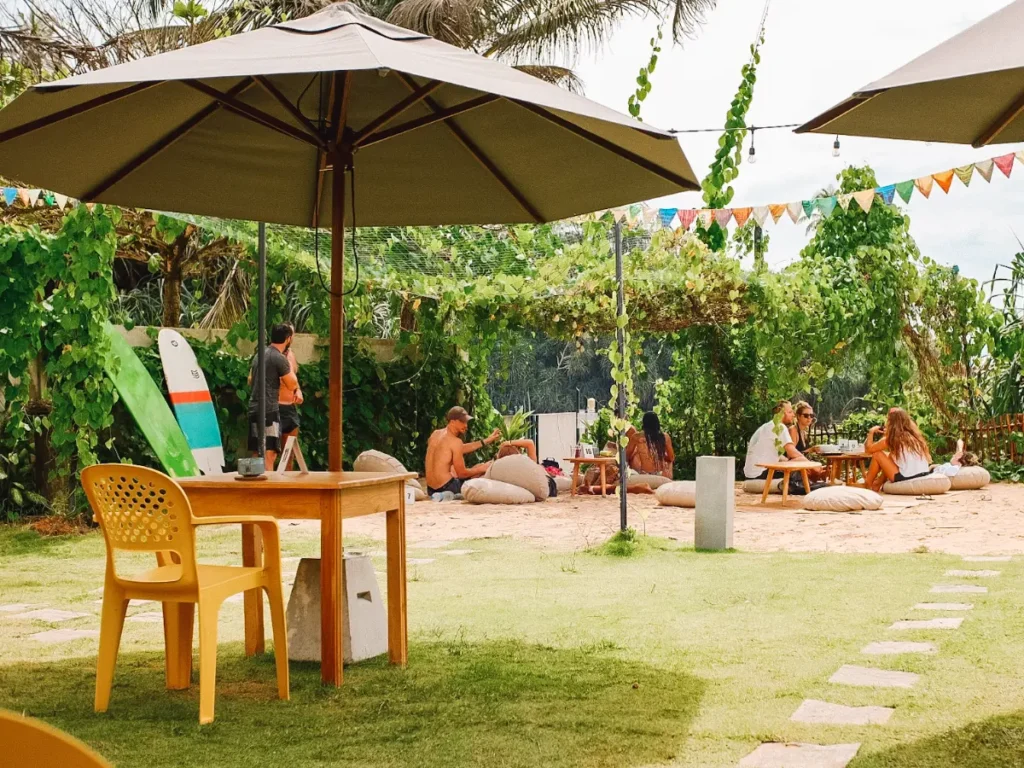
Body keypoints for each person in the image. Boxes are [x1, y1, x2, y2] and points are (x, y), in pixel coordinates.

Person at [248, 323, 299, 471]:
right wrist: (296, 388)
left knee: (257, 451)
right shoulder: (279, 357)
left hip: (254, 408)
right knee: (269, 453)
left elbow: (250, 379)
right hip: (269, 410)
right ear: (288, 339)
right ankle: (267, 489)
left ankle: (254, 488)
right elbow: (292, 383)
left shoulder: (260, 354)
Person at [424, 406, 501, 499]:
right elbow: (462, 473)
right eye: (462, 422)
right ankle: (451, 495)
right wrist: (482, 469)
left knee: (472, 468)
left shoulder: (435, 434)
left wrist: (486, 440)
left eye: (466, 422)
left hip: (431, 489)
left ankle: (442, 496)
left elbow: (456, 449)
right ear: (452, 421)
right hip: (447, 487)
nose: (466, 425)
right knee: (479, 472)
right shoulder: (455, 442)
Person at [864, 407, 932, 491]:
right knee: (891, 456)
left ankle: (867, 485)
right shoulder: (914, 436)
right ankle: (877, 484)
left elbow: (868, 450)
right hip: (923, 473)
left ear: (890, 422)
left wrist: (871, 432)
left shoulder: (891, 438)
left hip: (907, 477)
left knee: (877, 454)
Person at [744, 400, 809, 480]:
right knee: (800, 460)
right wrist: (810, 464)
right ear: (781, 413)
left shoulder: (767, 426)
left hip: (750, 475)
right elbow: (792, 452)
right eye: (790, 412)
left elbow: (772, 454)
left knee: (794, 463)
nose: (793, 415)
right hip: (761, 473)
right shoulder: (780, 426)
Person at [277, 322, 303, 470]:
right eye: (290, 335)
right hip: (274, 407)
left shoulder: (290, 355)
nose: (292, 338)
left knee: (289, 453)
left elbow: (293, 379)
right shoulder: (270, 355)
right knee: (269, 452)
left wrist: (297, 390)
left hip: (289, 407)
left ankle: (289, 485)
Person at [626, 412, 675, 479]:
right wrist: (660, 454)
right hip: (662, 476)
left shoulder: (636, 437)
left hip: (645, 475)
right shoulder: (665, 437)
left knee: (635, 455)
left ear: (644, 424)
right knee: (669, 462)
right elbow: (671, 457)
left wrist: (637, 452)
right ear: (657, 423)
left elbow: (627, 456)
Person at [788, 401, 828, 482]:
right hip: (793, 463)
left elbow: (801, 452)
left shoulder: (804, 432)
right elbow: (791, 454)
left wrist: (812, 449)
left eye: (811, 415)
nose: (809, 418)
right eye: (806, 415)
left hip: (802, 462)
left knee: (828, 468)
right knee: (819, 470)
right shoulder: (793, 430)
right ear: (798, 416)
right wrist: (811, 450)